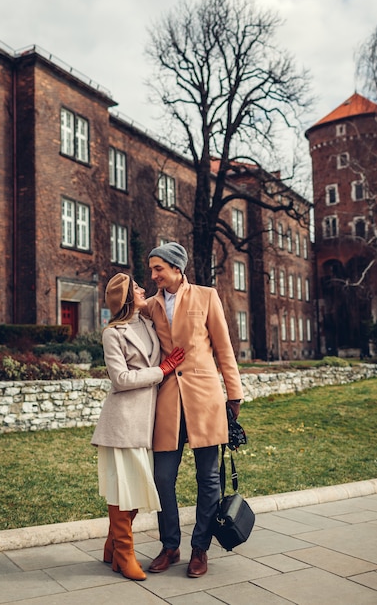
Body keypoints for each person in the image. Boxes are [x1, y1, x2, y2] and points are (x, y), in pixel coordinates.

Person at [144, 242, 245, 578]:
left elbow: (224, 347)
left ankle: (199, 549)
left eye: (158, 268)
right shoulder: (151, 306)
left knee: (208, 479)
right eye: (152, 268)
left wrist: (235, 394)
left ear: (176, 268)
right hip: (169, 400)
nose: (153, 274)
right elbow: (122, 309)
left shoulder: (206, 296)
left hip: (205, 399)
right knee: (162, 477)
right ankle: (170, 546)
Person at [91, 273, 185, 581]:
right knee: (126, 489)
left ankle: (112, 546)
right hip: (122, 422)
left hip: (148, 420)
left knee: (139, 486)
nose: (143, 288)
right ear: (127, 297)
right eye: (136, 287)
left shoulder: (147, 324)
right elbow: (120, 379)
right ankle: (125, 553)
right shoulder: (112, 334)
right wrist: (161, 369)